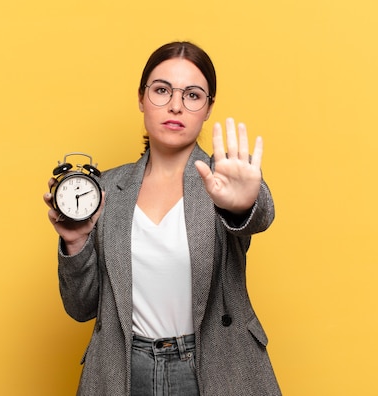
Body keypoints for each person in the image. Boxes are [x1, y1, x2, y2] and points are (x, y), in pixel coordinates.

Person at [43, 41, 281, 396]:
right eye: (161, 90)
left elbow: (257, 214)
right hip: (124, 367)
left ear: (208, 108)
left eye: (193, 95)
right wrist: (75, 242)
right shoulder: (104, 188)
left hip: (213, 364)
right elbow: (81, 308)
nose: (175, 105)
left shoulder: (225, 180)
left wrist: (242, 204)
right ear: (141, 98)